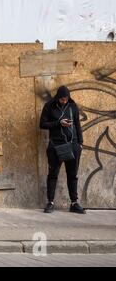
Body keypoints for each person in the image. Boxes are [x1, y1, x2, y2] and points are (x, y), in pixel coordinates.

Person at [40, 85, 86, 214]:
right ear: (57, 97)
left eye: (66, 99)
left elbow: (77, 124)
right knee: (53, 174)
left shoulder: (72, 106)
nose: (64, 101)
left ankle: (74, 203)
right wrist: (58, 123)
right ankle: (50, 202)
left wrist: (80, 143)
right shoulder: (49, 106)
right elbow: (42, 124)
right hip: (55, 146)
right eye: (62, 99)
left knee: (73, 175)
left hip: (73, 145)